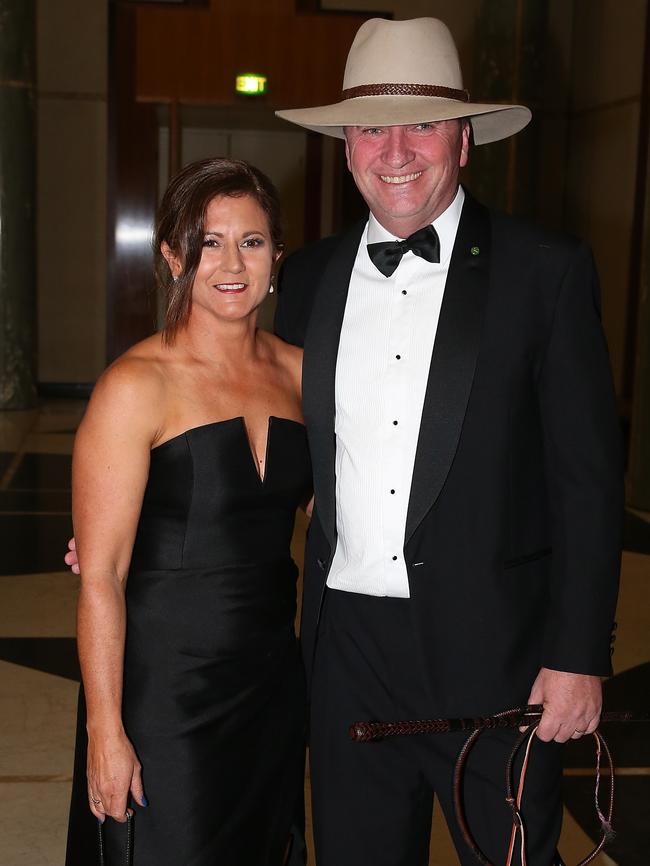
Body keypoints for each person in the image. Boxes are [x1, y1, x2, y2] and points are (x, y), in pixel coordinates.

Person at [271, 17, 624, 866]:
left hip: (499, 665)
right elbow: (259, 439)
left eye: (421, 124)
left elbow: (588, 481)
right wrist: (135, 519)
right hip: (347, 655)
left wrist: (577, 657)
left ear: (464, 141)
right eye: (370, 127)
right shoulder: (307, 279)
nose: (395, 149)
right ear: (346, 146)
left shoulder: (548, 272)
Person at [64, 157, 310, 866]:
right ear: (174, 255)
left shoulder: (302, 372)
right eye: (209, 242)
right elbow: (101, 577)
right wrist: (107, 730)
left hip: (268, 684)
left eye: (253, 241)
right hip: (165, 695)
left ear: (277, 255)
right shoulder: (135, 385)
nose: (232, 264)